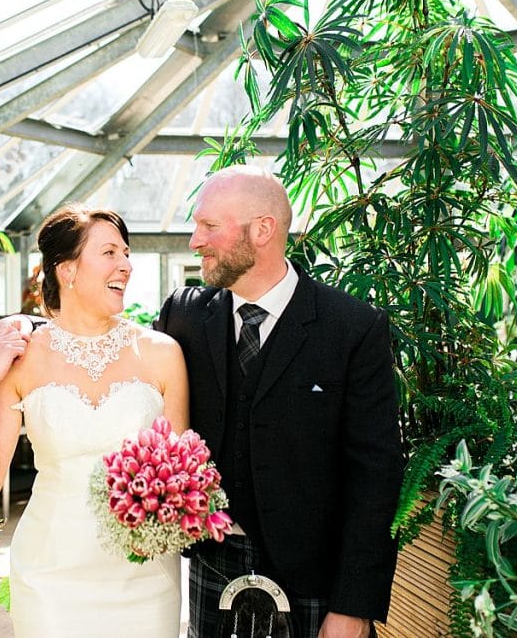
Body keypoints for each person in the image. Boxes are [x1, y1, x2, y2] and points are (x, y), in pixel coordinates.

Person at [155, 165, 403, 638]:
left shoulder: (352, 328)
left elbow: (376, 474)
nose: (194, 240)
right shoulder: (183, 315)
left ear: (263, 229)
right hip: (213, 562)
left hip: (316, 580)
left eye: (209, 226)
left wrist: (354, 604)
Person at [0, 205, 189, 637]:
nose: (126, 265)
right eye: (110, 253)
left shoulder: (162, 353)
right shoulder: (22, 359)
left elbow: (180, 475)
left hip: (146, 581)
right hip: (50, 580)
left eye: (127, 253)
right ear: (68, 270)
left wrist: (158, 526)